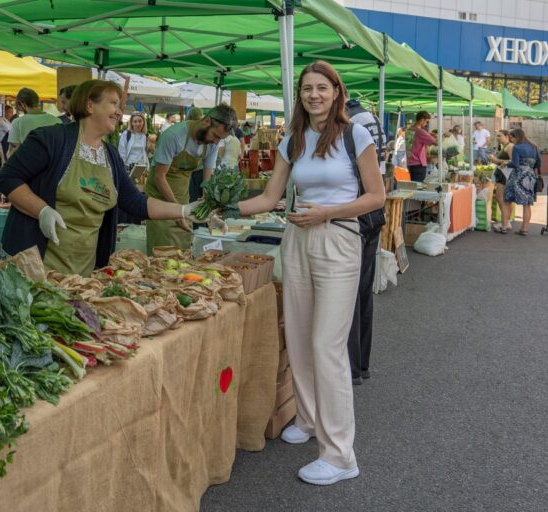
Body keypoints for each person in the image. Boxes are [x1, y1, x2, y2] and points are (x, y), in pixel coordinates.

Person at [236, 61, 384, 485]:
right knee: (299, 337)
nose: (314, 95)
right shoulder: (293, 140)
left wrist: (328, 212)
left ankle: (340, 456)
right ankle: (308, 417)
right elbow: (269, 197)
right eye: (306, 89)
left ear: (337, 92)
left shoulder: (356, 134)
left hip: (337, 238)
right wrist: (215, 208)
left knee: (326, 346)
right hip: (296, 241)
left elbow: (376, 196)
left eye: (322, 88)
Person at [0, 79, 206, 276]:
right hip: (38, 264)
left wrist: (184, 210)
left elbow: (135, 202)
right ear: (89, 106)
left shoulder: (110, 155)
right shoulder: (51, 139)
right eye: (114, 103)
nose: (119, 112)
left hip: (82, 270)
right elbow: (8, 178)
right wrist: (42, 211)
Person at [145, 103, 237, 254]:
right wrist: (178, 211)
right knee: (162, 255)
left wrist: (208, 214)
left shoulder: (211, 145)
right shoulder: (174, 136)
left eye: (220, 139)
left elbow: (206, 184)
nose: (216, 142)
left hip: (183, 199)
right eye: (215, 136)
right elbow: (159, 177)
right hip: (159, 202)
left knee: (183, 253)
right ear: (207, 121)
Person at [344, 97, 387, 386]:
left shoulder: (352, 127)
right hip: (372, 215)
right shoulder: (372, 120)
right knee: (362, 291)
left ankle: (352, 367)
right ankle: (362, 365)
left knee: (348, 293)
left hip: (357, 214)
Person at [503, 128, 541, 236]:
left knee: (507, 200)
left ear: (516, 137)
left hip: (517, 176)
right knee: (527, 204)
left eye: (511, 138)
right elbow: (538, 164)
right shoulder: (534, 147)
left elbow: (515, 164)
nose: (511, 140)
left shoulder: (517, 147)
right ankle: (524, 229)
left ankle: (504, 226)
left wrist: (506, 163)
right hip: (530, 177)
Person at [7, 87, 61, 158]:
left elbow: (13, 150)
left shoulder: (17, 122)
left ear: (23, 103)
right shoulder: (56, 120)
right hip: (53, 166)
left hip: (27, 165)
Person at [488, 130, 515, 233]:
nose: (497, 138)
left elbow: (513, 161)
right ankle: (506, 221)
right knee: (503, 199)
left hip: (505, 175)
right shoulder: (504, 146)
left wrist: (495, 160)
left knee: (501, 198)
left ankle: (506, 222)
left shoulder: (510, 146)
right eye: (496, 136)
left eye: (499, 136)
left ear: (507, 136)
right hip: (501, 174)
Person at [405, 111, 436, 182]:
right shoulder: (420, 132)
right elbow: (435, 142)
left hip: (409, 163)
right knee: (417, 188)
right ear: (422, 120)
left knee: (411, 186)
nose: (426, 124)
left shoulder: (409, 129)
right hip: (418, 164)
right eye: (426, 122)